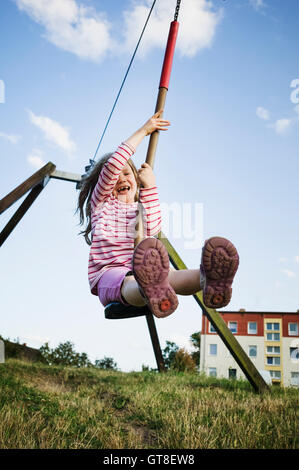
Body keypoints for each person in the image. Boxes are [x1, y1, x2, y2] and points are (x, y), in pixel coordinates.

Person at [78, 110, 239, 318]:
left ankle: (210, 279)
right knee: (130, 282)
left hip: (145, 267)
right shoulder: (101, 203)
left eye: (127, 174)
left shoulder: (139, 207)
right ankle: (150, 288)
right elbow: (114, 164)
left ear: (136, 180)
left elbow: (153, 227)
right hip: (110, 273)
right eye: (115, 177)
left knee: (170, 276)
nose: (120, 178)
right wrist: (144, 131)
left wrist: (150, 187)